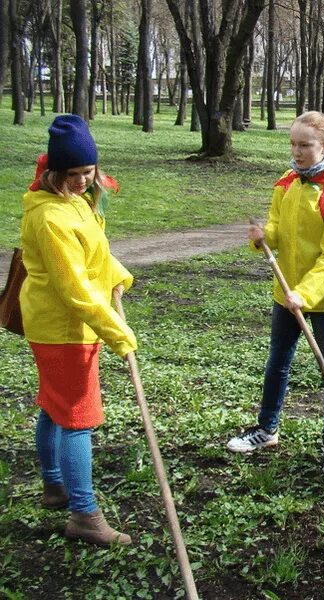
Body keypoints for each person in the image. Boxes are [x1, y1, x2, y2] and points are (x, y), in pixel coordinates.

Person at [20, 114, 136, 545]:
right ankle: (84, 515)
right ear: (54, 172)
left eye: (89, 172)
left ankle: (54, 485)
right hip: (64, 327)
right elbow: (75, 290)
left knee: (54, 406)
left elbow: (95, 258)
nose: (84, 182)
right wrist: (118, 333)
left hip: (62, 323)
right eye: (73, 174)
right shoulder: (51, 218)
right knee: (78, 419)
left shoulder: (75, 204)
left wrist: (118, 274)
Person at [227, 111, 324, 478]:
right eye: (293, 144)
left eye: (305, 145)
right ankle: (266, 430)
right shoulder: (286, 183)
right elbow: (278, 229)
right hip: (285, 289)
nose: (297, 152)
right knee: (278, 361)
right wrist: (264, 237)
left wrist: (305, 293)